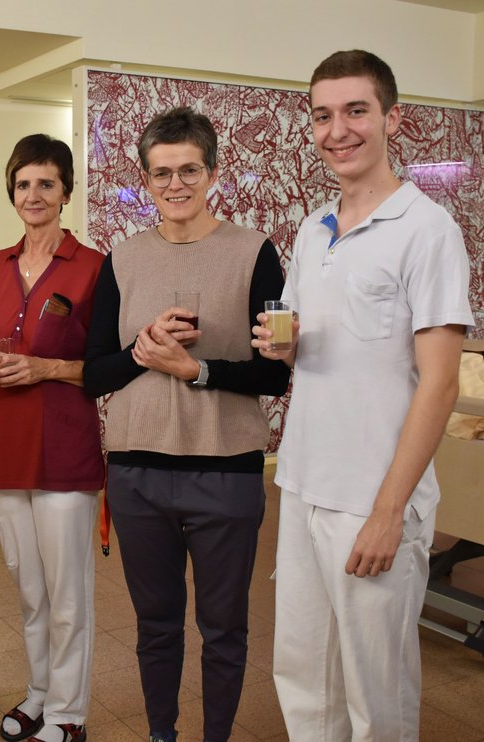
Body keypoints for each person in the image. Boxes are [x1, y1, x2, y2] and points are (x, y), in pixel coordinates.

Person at [254, 50, 472, 741]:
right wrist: (282, 347)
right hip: (302, 484)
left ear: (391, 118)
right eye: (322, 115)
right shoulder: (312, 228)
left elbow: (438, 382)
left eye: (355, 111)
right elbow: (305, 340)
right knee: (301, 671)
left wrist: (388, 512)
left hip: (372, 499)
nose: (336, 130)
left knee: (374, 693)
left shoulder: (426, 230)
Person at [83, 107, 291, 742]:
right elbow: (96, 373)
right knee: (157, 626)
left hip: (224, 472)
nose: (176, 185)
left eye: (189, 171)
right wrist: (144, 348)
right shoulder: (121, 259)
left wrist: (195, 370)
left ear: (213, 172)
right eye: (161, 173)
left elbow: (273, 375)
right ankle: (161, 734)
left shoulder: (254, 253)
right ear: (145, 180)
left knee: (224, 627)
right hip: (137, 474)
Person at [0, 134, 104, 742]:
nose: (34, 195)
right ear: (12, 191)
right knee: (29, 591)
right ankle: (39, 692)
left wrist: (47, 369)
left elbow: (108, 365)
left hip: (64, 450)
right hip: (6, 447)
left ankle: (70, 714)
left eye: (46, 184)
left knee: (67, 593)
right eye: (23, 184)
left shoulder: (94, 267)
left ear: (66, 192)